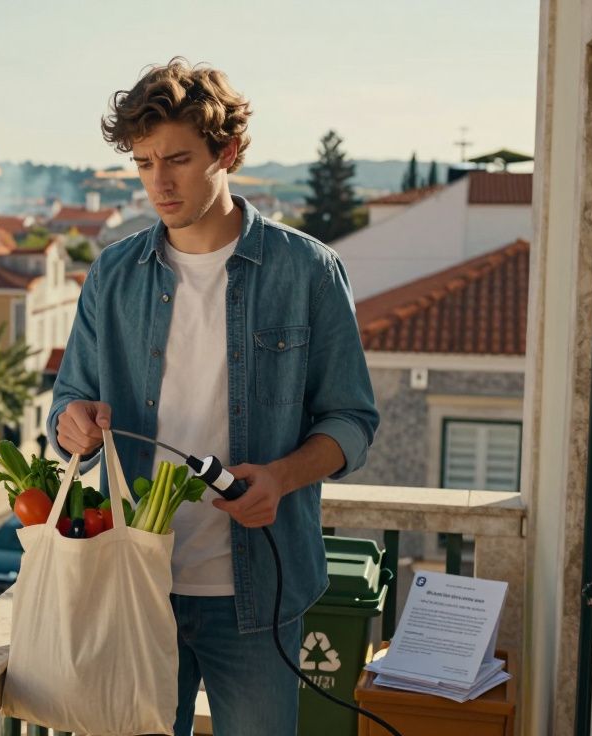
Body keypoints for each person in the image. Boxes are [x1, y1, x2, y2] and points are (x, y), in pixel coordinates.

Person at [50, 59, 378, 736]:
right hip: (135, 589)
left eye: (176, 159)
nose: (158, 183)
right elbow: (68, 403)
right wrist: (73, 425)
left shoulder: (309, 271)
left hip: (258, 599)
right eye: (142, 163)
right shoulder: (111, 275)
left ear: (226, 152)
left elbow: (352, 420)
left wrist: (281, 479)